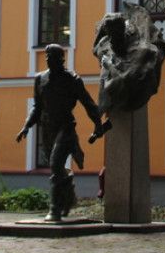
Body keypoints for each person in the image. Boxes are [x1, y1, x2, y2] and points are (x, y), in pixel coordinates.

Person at [16, 44, 105, 222]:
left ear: (61, 60)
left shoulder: (72, 79)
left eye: (52, 58)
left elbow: (88, 104)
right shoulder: (40, 78)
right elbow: (37, 107)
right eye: (47, 57)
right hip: (47, 128)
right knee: (56, 167)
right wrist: (27, 126)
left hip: (66, 127)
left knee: (56, 164)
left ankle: (54, 209)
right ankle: (67, 198)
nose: (48, 60)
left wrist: (97, 124)